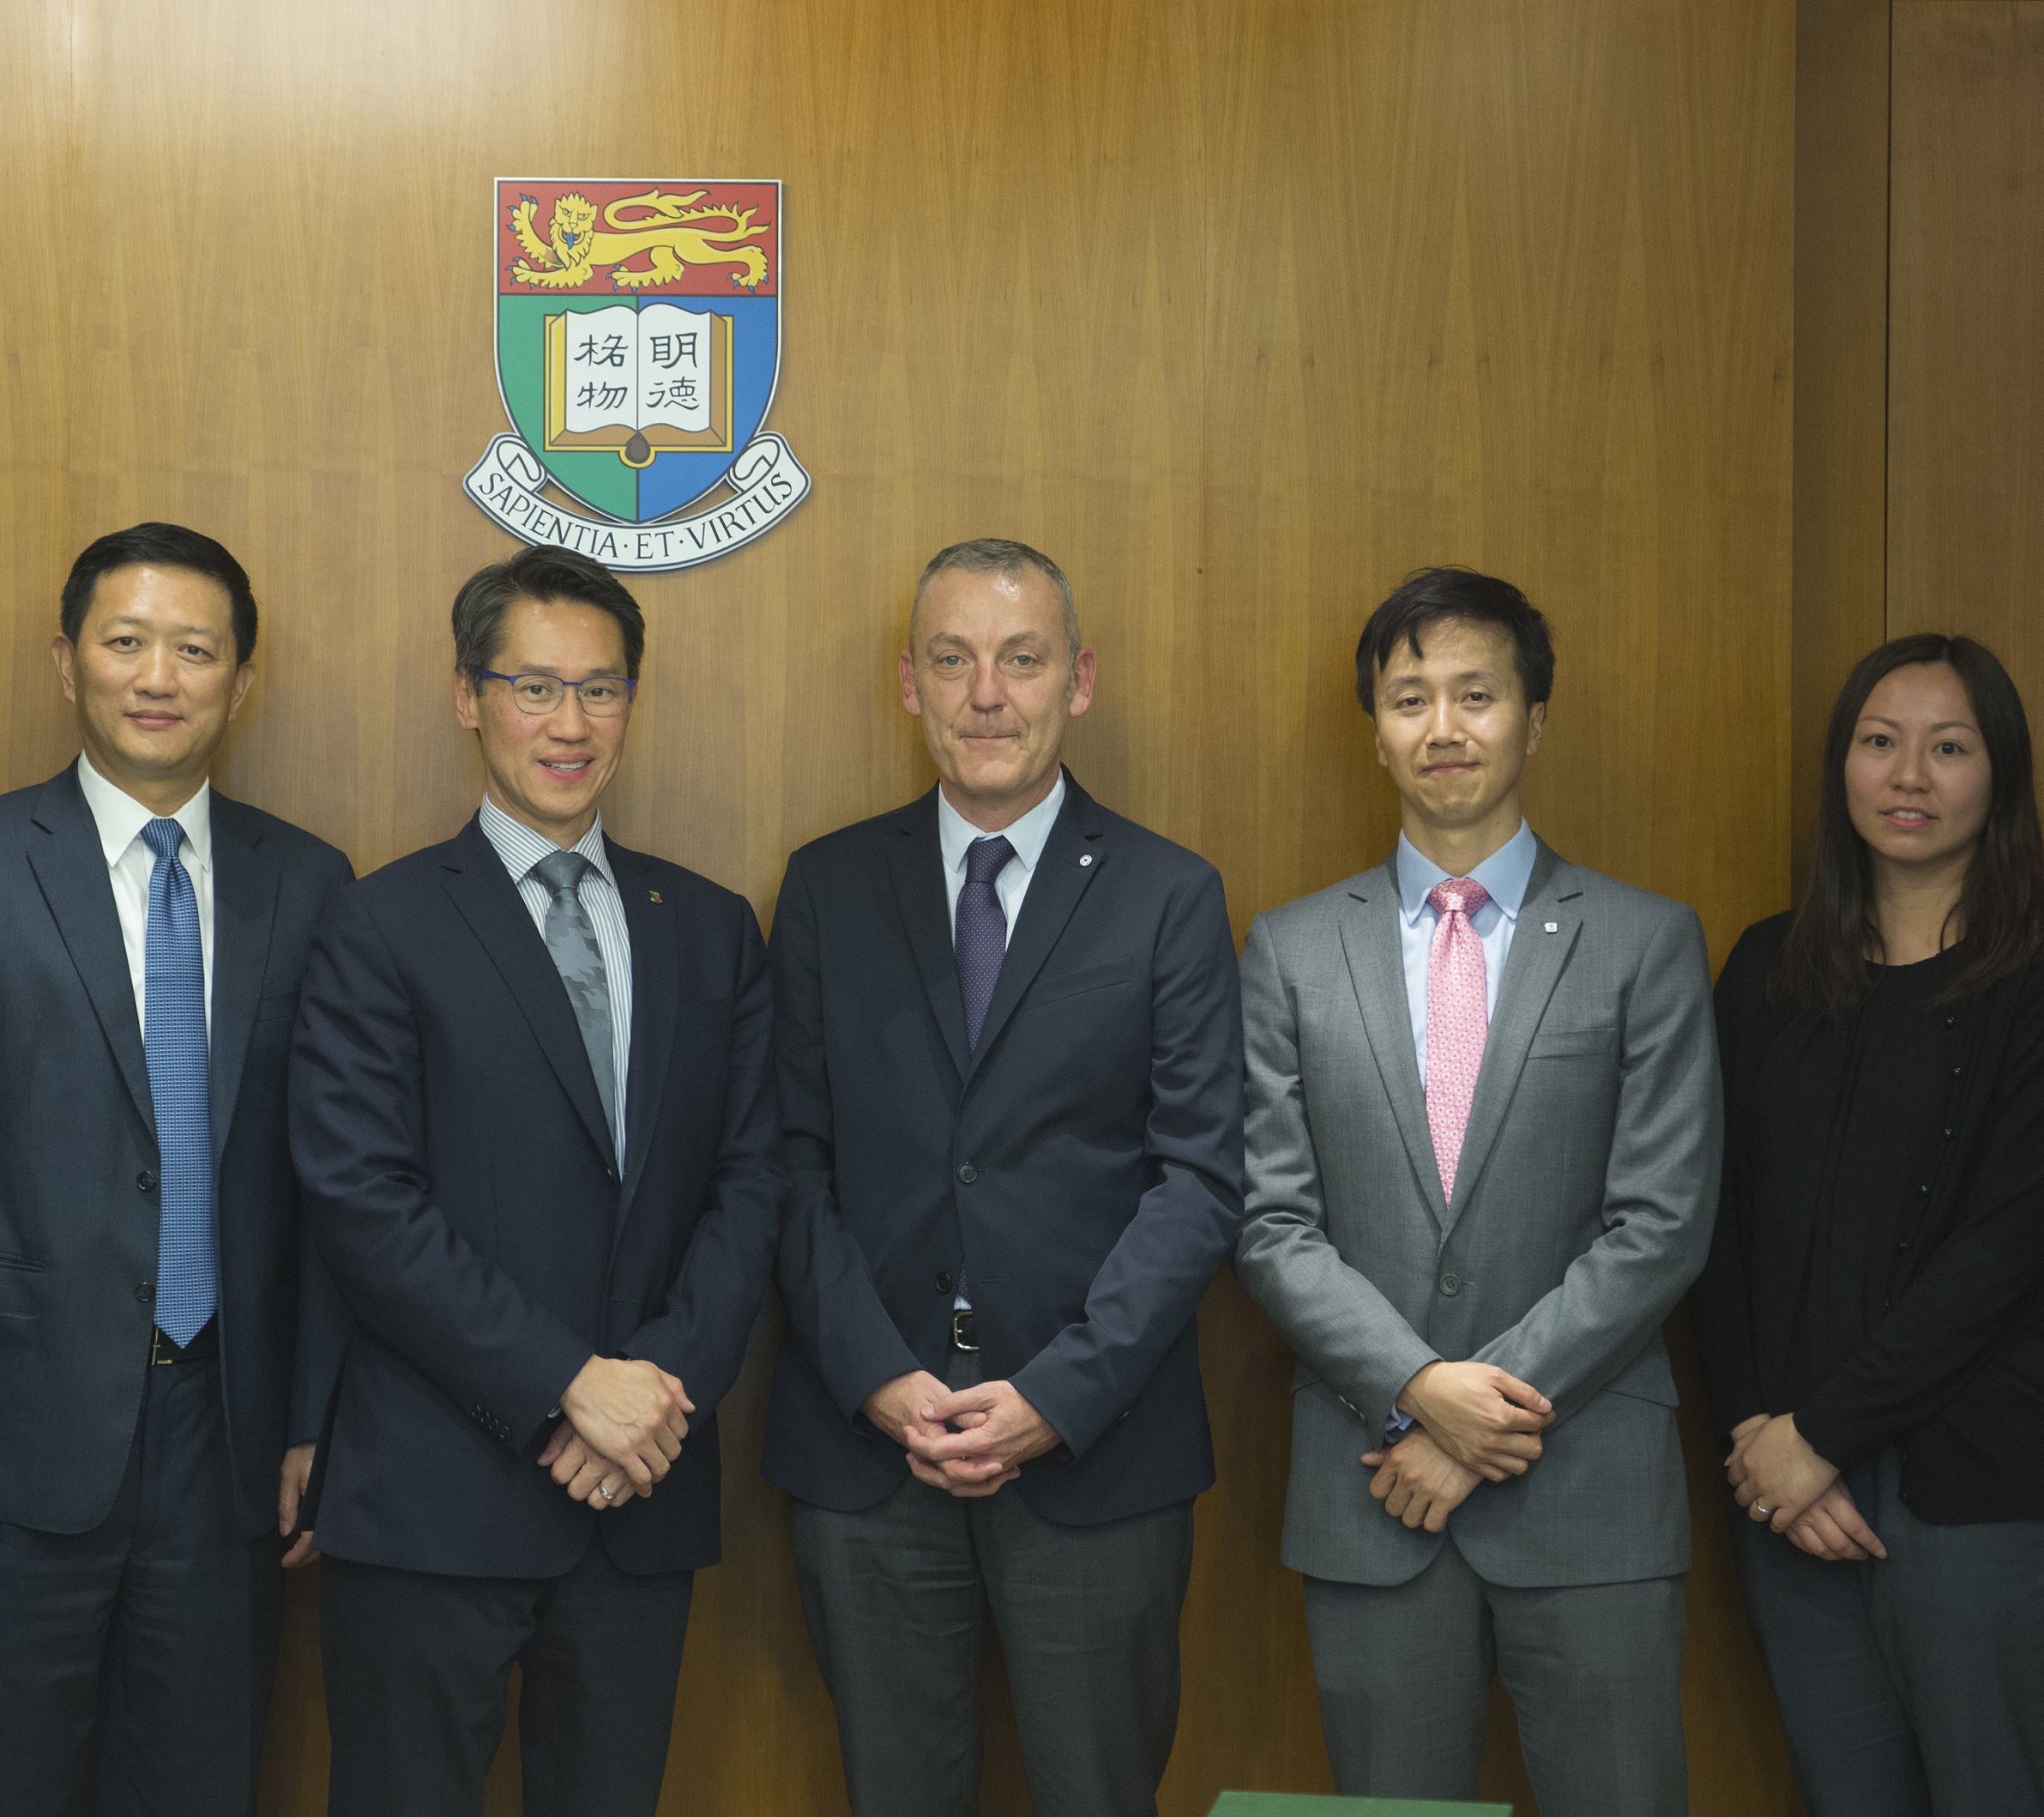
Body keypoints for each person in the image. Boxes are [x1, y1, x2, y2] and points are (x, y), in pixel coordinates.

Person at [0, 523, 353, 1816]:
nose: (158, 676)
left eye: (195, 649)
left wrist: (313, 1417)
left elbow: (331, 1188)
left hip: (228, 1441)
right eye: (126, 641)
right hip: (11, 1450)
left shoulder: (308, 881)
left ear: (242, 680)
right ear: (65, 659)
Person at [291, 543, 784, 1817]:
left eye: (601, 689)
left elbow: (751, 1181)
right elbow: (362, 1200)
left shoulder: (710, 926)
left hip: (639, 1496)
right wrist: (571, 1385)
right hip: (433, 1499)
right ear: (469, 696)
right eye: (534, 687)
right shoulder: (382, 921)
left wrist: (652, 1399)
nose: (571, 724)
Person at [758, 538, 1243, 1815]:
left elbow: (1198, 1182)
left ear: (1078, 679)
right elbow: (789, 1163)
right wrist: (877, 1379)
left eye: (1021, 660)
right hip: (872, 1454)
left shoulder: (1168, 894)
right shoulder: (826, 886)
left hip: (1096, 1452)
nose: (986, 695)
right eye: (953, 659)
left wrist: (1058, 1394)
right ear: (907, 682)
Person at [1232, 567, 1721, 1816]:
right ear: (1376, 731)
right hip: (1373, 1488)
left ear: (1534, 719)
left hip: (1590, 1496)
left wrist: (1473, 1418)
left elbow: (1662, 1223)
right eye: (1409, 699)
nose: (1442, 727)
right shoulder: (1290, 949)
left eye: (1476, 694)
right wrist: (1416, 1388)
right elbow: (1272, 1222)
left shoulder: (1645, 940)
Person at [1697, 634, 2044, 1816]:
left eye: (1950, 747)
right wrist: (1761, 1434)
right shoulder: (1768, 968)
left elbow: (2001, 1255)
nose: (1909, 775)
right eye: (1880, 742)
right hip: (1792, 1497)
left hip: (1977, 1500)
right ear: (1843, 764)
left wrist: (1820, 1433)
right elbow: (1714, 1227)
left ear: (2000, 773)